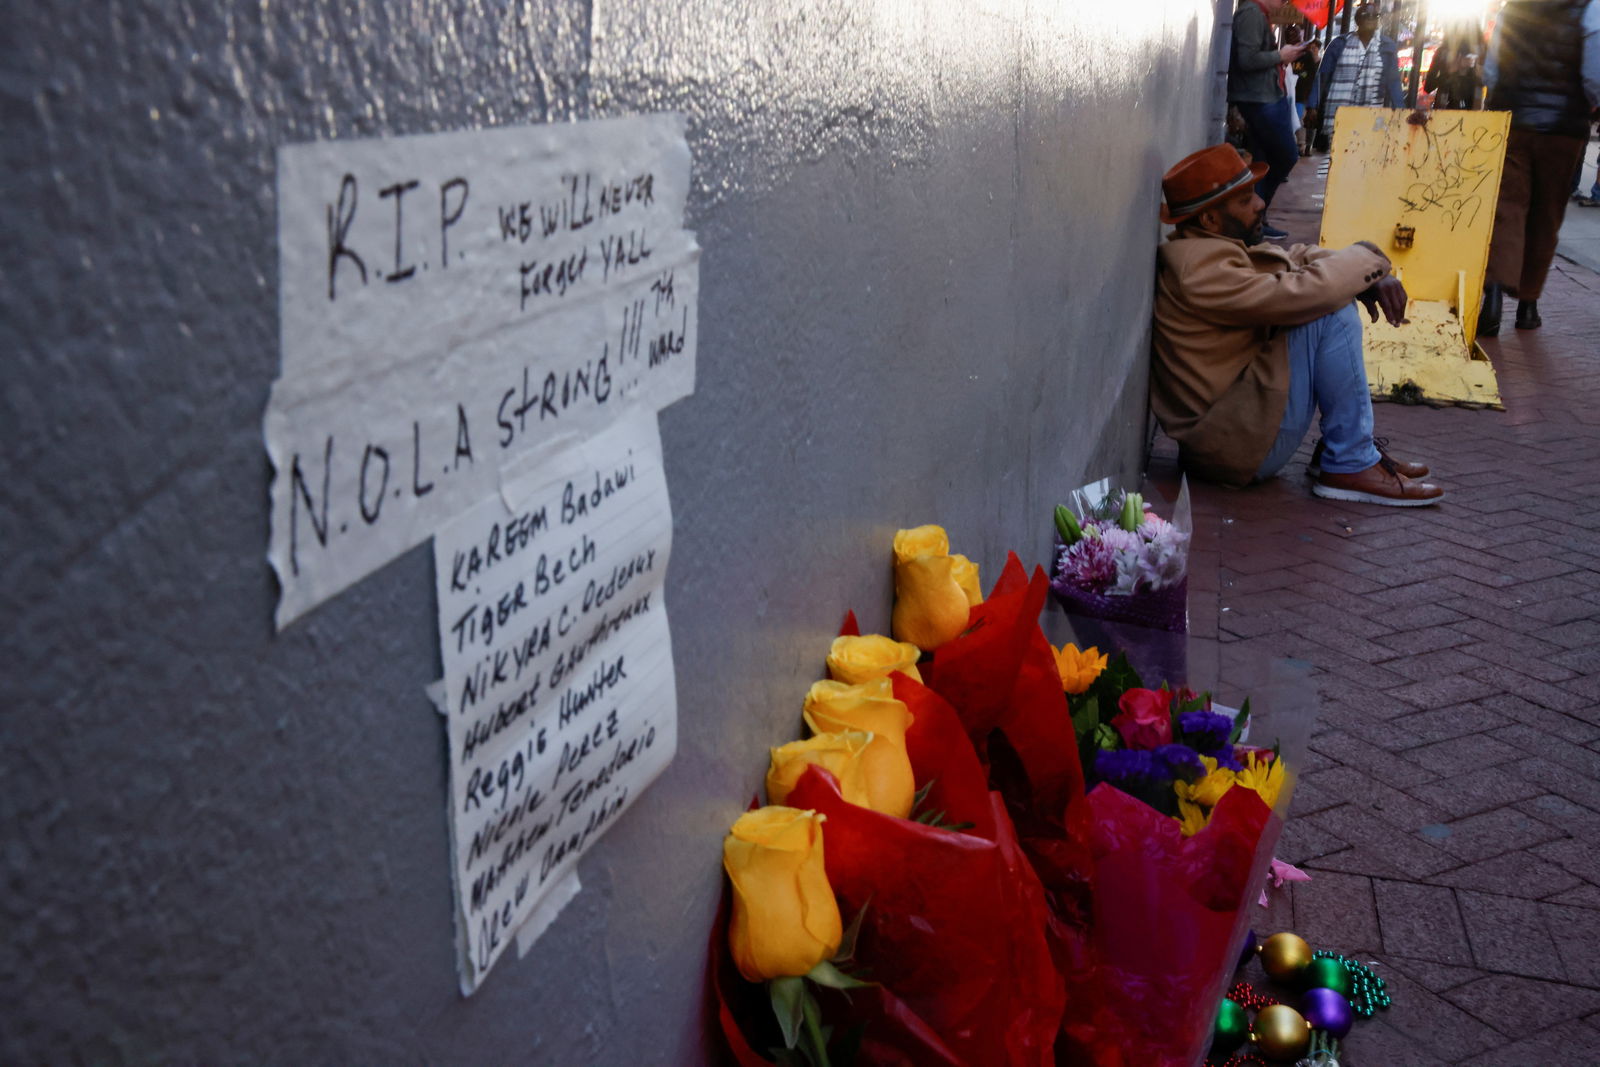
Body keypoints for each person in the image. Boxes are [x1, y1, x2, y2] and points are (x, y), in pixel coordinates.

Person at [1150, 143, 1444, 506]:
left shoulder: (1211, 247)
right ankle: (1349, 460)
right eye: (1244, 200)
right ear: (1209, 220)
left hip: (1237, 426)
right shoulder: (1199, 271)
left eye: (1254, 194)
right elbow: (1305, 290)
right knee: (1330, 310)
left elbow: (1294, 256)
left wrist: (1364, 273)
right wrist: (1366, 267)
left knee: (1329, 295)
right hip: (1232, 447)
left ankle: (1340, 451)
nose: (1260, 204)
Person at [1477, 0, 1600, 335]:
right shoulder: (1590, 8)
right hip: (1563, 127)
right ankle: (1528, 307)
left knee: (1508, 207)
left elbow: (1492, 69)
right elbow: (1594, 75)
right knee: (1547, 214)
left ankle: (1492, 295)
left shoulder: (1512, 6)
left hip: (1513, 119)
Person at [1229, 0, 1310, 239]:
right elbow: (1247, 59)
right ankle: (1253, 215)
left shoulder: (1257, 13)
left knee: (1264, 159)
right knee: (1286, 155)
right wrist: (1280, 55)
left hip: (1263, 96)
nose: (1284, 2)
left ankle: (1255, 221)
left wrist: (1282, 55)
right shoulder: (1252, 13)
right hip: (1259, 98)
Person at [1306, 2, 1405, 146]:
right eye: (1366, 15)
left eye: (1375, 15)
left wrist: (1400, 110)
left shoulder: (1387, 47)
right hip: (1339, 114)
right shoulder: (1339, 44)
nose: (1370, 18)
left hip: (1372, 114)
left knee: (1365, 155)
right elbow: (1322, 77)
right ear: (1357, 20)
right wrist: (1312, 106)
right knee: (1337, 155)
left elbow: (1393, 82)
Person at [1294, 40, 1323, 156]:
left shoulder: (1319, 63)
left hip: (1311, 95)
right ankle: (1302, 145)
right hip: (1302, 94)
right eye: (1311, 48)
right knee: (1301, 120)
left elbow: (1317, 83)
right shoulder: (1305, 61)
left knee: (1310, 121)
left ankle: (1307, 146)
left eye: (1315, 48)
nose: (1312, 50)